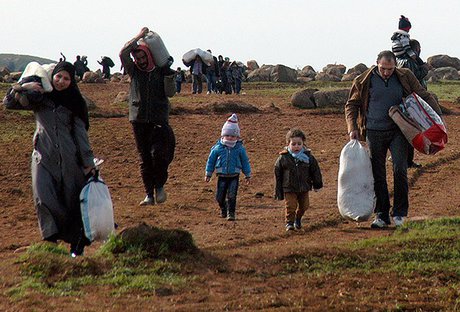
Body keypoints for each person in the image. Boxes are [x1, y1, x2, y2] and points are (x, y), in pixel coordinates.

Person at [2, 61, 95, 257]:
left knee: (71, 200)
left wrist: (88, 163)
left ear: (72, 81)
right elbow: (8, 103)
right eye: (58, 77)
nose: (61, 81)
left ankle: (76, 244)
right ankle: (50, 240)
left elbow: (81, 135)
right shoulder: (40, 97)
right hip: (42, 156)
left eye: (66, 78)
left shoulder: (75, 103)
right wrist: (23, 86)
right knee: (43, 197)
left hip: (70, 159)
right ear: (52, 76)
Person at [345, 50, 443, 228]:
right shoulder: (363, 80)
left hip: (399, 130)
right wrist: (352, 129)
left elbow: (422, 94)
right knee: (378, 173)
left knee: (400, 169)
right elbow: (352, 104)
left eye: (390, 69)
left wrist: (437, 118)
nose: (386, 72)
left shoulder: (405, 76)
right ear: (376, 63)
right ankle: (381, 214)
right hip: (374, 132)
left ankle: (399, 213)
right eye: (383, 68)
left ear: (395, 65)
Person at [120, 27, 176, 206]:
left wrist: (169, 77)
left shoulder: (161, 71)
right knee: (144, 158)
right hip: (138, 119)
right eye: (138, 58)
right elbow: (123, 53)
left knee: (158, 155)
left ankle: (159, 186)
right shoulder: (134, 71)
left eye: (143, 57)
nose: (141, 61)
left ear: (150, 55)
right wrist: (138, 37)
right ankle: (149, 195)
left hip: (159, 119)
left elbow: (171, 93)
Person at [205, 113, 251, 221]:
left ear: (237, 136)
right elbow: (211, 161)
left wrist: (247, 174)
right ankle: (223, 208)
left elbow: (245, 162)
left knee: (232, 196)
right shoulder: (217, 148)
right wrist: (208, 173)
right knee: (219, 197)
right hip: (222, 175)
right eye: (228, 135)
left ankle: (231, 213)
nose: (230, 138)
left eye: (233, 136)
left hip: (234, 175)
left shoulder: (239, 149)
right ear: (222, 135)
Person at [274, 129, 323, 231]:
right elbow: (278, 175)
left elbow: (315, 171)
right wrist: (279, 191)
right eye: (294, 144)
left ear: (303, 143)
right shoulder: (283, 158)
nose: (296, 146)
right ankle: (289, 223)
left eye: (299, 144)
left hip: (304, 187)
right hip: (289, 187)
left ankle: (298, 218)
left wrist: (317, 185)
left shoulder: (308, 157)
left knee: (305, 206)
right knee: (290, 206)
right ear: (288, 144)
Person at [396, 39, 430, 168]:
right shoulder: (408, 62)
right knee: (411, 130)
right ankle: (406, 161)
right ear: (416, 49)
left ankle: (404, 159)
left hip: (408, 101)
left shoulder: (401, 60)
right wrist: (425, 69)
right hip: (411, 102)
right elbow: (414, 79)